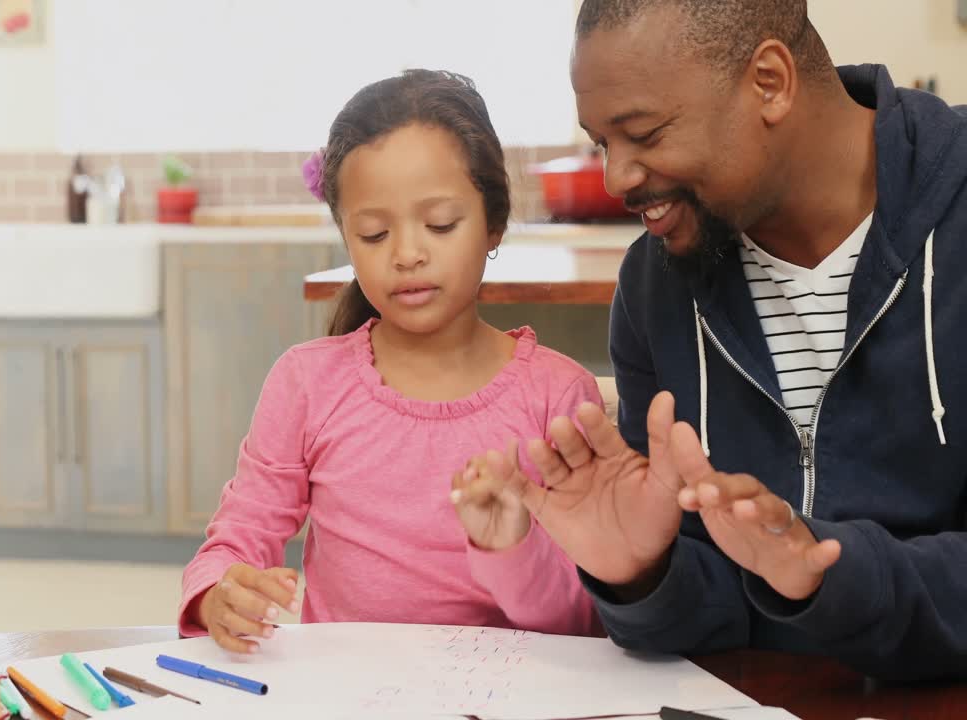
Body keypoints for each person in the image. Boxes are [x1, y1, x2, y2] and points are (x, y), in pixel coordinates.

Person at [463, 0, 967, 682]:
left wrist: (828, 576)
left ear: (770, 82)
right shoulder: (655, 284)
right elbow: (716, 609)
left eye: (643, 133)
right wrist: (640, 575)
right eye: (603, 143)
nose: (616, 178)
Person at [177, 69, 603, 654]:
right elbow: (238, 536)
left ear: (494, 223)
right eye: (375, 235)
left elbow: (580, 622)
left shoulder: (558, 397)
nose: (406, 254)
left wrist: (511, 548)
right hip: (345, 691)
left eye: (440, 224)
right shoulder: (306, 382)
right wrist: (217, 592)